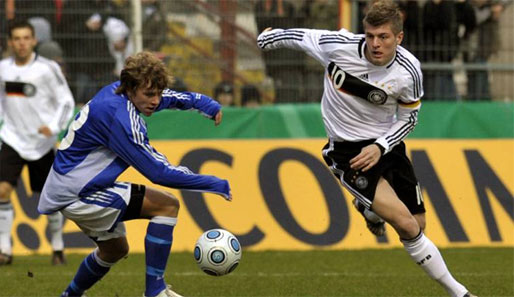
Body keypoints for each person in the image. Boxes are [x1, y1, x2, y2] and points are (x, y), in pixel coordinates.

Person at [257, 1, 476, 296]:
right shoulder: (340, 46)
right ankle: (459, 292)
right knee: (407, 226)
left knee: (418, 223)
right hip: (348, 152)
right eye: (370, 35)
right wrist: (269, 37)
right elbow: (301, 37)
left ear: (399, 38)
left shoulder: (408, 71)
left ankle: (368, 209)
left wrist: (381, 145)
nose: (375, 44)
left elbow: (409, 118)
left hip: (386, 146)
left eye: (383, 37)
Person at [38, 51, 231, 297]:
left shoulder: (120, 92)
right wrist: (212, 183)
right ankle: (155, 291)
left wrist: (204, 103)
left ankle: (70, 296)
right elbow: (158, 172)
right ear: (130, 89)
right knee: (167, 206)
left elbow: (166, 97)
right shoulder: (120, 118)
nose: (155, 100)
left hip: (73, 186)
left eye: (157, 93)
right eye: (149, 94)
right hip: (78, 194)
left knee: (114, 250)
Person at [0, 20, 74, 266]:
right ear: (10, 42)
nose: (21, 43)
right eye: (17, 38)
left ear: (33, 40)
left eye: (26, 38)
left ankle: (57, 246)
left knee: (48, 200)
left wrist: (54, 128)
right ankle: (4, 249)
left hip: (41, 142)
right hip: (11, 138)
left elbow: (65, 101)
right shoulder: (3, 69)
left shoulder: (47, 68)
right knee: (2, 190)